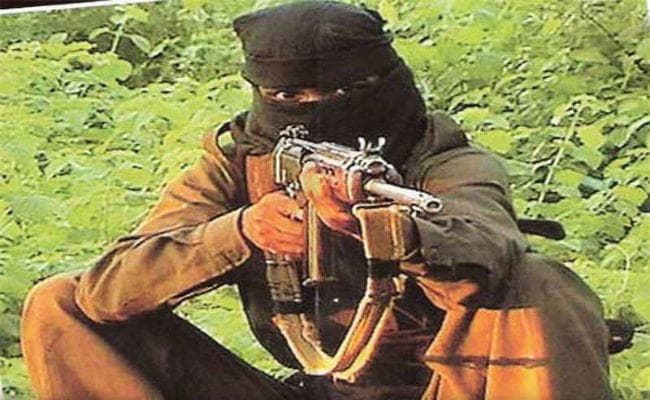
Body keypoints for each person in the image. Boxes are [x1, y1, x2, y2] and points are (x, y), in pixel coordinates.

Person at [20, 2, 613, 399]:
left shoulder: (440, 156)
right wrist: (241, 232)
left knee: (542, 282)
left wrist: (383, 230)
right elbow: (107, 289)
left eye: (340, 92)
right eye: (285, 96)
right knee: (59, 304)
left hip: (447, 387)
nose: (310, 107)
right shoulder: (236, 163)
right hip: (314, 385)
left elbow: (486, 240)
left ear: (384, 83)